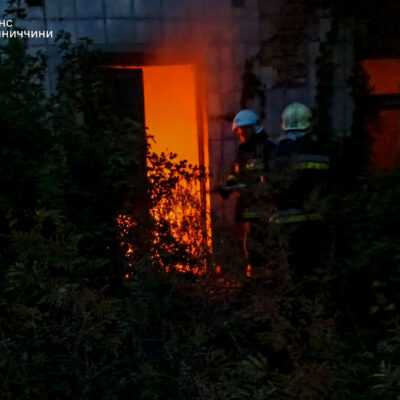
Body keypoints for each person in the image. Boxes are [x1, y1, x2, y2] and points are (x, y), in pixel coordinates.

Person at [270, 102, 331, 280]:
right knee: (312, 267)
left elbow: (271, 183)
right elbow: (328, 180)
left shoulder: (280, 152)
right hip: (314, 218)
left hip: (285, 219)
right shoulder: (319, 150)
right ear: (308, 124)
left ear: (284, 124)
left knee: (289, 269)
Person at [220, 109, 276, 274]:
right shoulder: (243, 150)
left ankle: (264, 278)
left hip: (264, 208)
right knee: (251, 244)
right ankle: (255, 278)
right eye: (238, 131)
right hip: (249, 207)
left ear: (253, 128)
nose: (240, 134)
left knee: (263, 244)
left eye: (242, 131)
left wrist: (258, 187)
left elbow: (273, 177)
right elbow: (236, 172)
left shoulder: (267, 148)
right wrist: (229, 185)